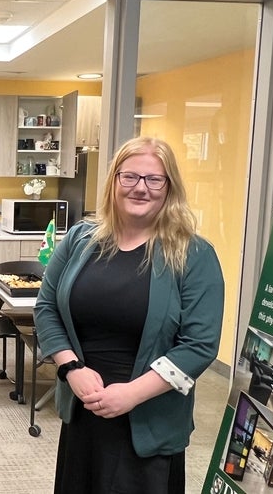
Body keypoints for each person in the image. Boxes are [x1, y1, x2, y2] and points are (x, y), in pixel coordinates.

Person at [34, 136, 224, 493]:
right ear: (114, 181)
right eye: (130, 177)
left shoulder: (194, 255)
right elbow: (46, 308)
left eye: (154, 179)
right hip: (84, 409)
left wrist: (132, 394)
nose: (141, 188)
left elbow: (199, 346)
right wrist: (71, 368)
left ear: (170, 187)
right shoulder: (80, 239)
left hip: (148, 420)